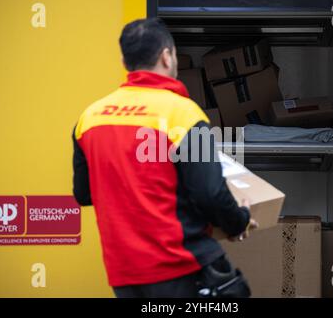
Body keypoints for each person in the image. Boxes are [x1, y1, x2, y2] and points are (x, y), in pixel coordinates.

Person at [72, 17, 257, 298]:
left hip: (124, 274)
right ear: (167, 56)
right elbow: (209, 193)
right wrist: (239, 219)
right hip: (182, 266)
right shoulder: (182, 113)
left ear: (125, 62)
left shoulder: (89, 119)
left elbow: (84, 194)